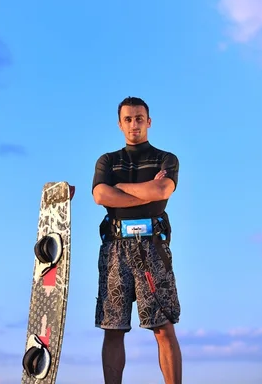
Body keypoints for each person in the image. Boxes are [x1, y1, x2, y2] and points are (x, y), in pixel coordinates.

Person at [91, 96, 182, 384]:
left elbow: (163, 189)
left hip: (153, 246)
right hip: (115, 248)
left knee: (163, 326)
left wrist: (120, 188)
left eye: (139, 118)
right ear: (120, 124)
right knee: (113, 327)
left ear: (149, 121)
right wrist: (145, 190)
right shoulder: (108, 160)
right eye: (128, 119)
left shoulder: (166, 158)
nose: (134, 124)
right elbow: (100, 196)